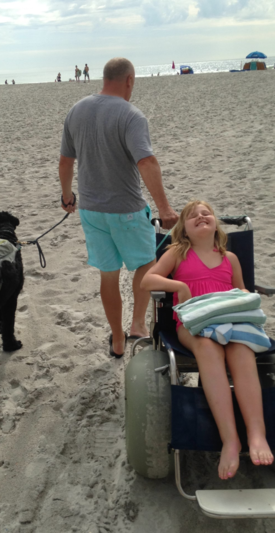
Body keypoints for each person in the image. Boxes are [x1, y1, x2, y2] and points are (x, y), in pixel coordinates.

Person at [141, 200, 274, 480]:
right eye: (193, 216)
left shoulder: (230, 258)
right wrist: (179, 285)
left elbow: (241, 292)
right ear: (184, 230)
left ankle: (257, 433)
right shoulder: (177, 252)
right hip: (193, 324)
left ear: (215, 224)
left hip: (231, 321)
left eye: (206, 213)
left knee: (242, 351)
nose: (201, 217)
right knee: (207, 347)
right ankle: (230, 439)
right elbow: (147, 281)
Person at [59, 57, 178, 358]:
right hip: (126, 209)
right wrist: (164, 210)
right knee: (144, 264)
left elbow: (65, 161)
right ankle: (137, 326)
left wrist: (66, 195)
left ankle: (116, 339)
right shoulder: (131, 114)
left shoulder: (76, 110)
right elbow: (147, 161)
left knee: (108, 274)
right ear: (129, 80)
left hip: (91, 211)